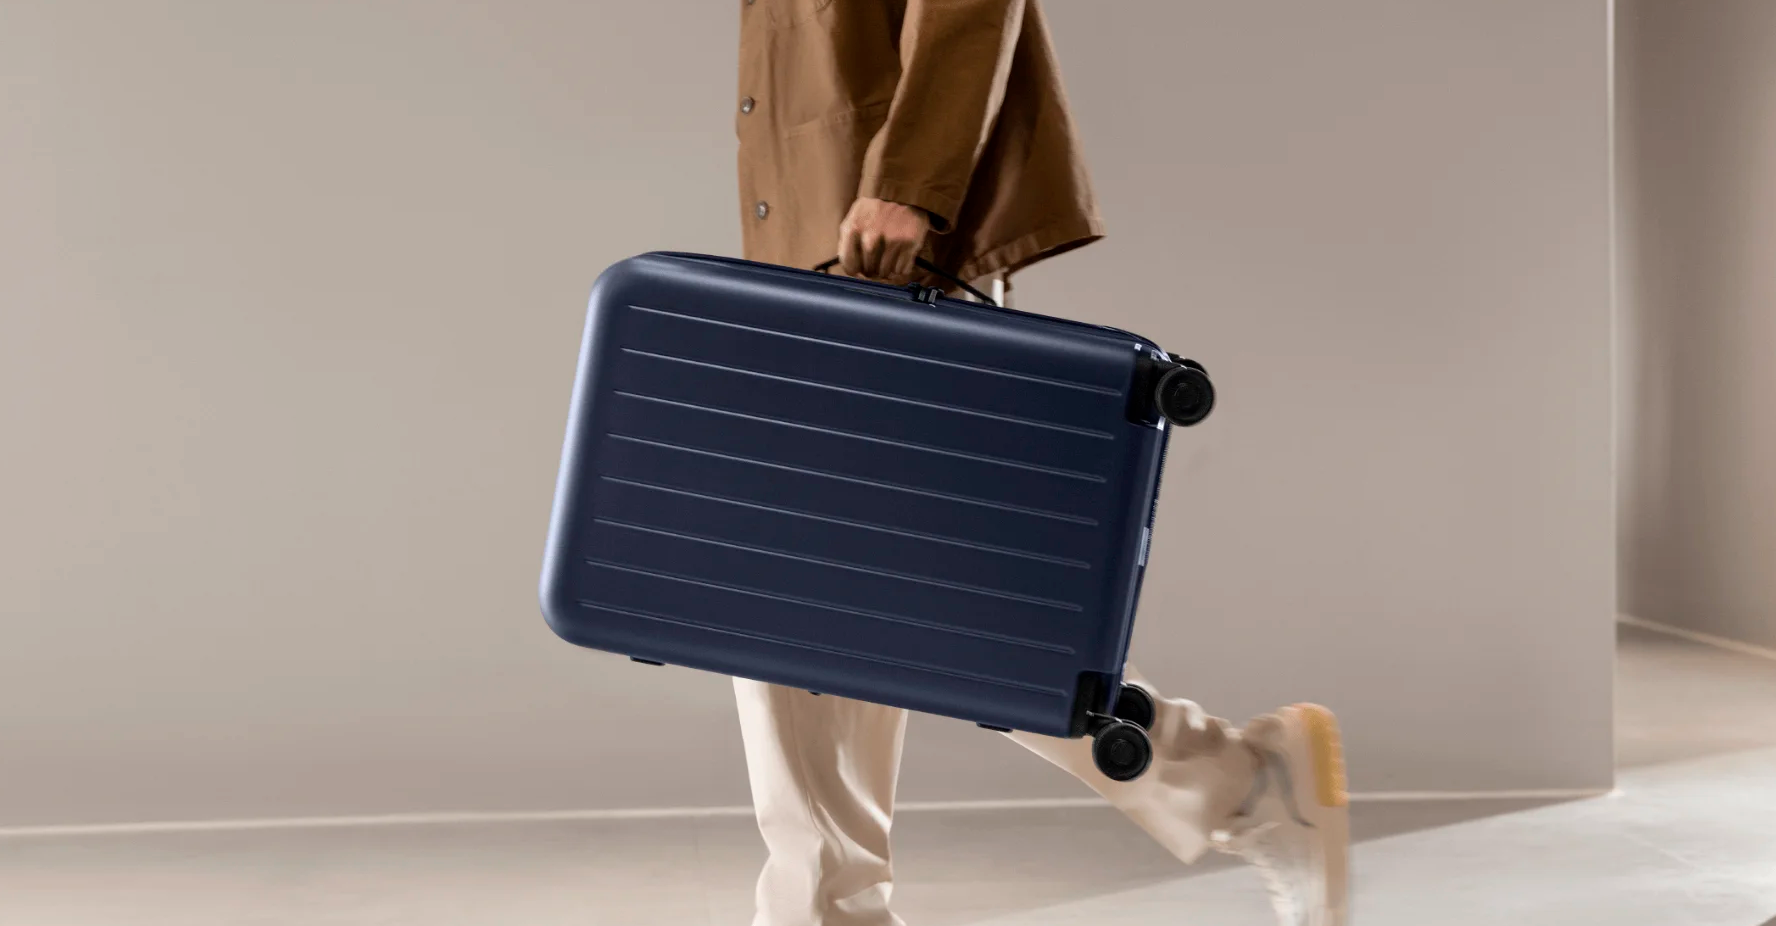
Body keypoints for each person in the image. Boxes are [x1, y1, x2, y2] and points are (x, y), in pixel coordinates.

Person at [731, 2, 1350, 924]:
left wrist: (910, 181)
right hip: (820, 233)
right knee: (854, 592)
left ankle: (1241, 787)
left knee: (801, 585)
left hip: (881, 234)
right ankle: (1241, 787)